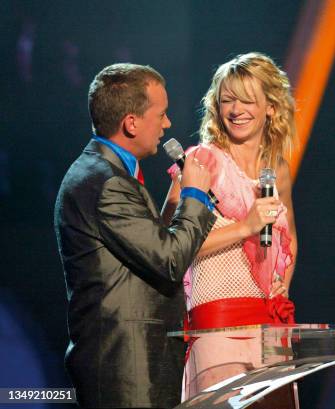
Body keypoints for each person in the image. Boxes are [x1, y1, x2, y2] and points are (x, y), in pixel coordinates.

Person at [54, 63, 217, 408]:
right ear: (131, 122)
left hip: (134, 363)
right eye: (161, 114)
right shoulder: (107, 181)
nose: (168, 124)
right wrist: (195, 197)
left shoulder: (103, 174)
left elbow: (136, 261)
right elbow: (171, 261)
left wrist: (173, 209)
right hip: (127, 367)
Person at [161, 52, 298, 399]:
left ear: (270, 106)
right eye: (227, 100)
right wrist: (245, 227)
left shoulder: (276, 169)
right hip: (218, 321)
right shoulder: (200, 161)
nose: (236, 110)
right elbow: (168, 247)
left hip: (269, 325)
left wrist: (282, 284)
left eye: (247, 100)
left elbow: (289, 238)